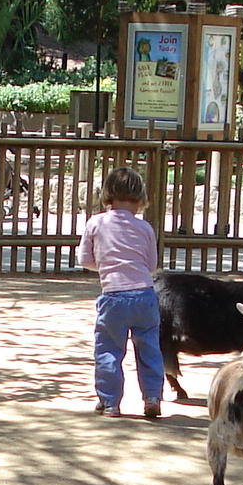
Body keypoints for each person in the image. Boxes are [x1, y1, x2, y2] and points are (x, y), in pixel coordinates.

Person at [78, 166, 164, 418]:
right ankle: (152, 396)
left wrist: (105, 266)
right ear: (140, 197)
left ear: (107, 195)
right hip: (144, 295)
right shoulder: (145, 228)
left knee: (109, 350)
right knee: (149, 348)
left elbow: (85, 259)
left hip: (113, 296)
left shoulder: (96, 223)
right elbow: (151, 265)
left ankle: (110, 402)